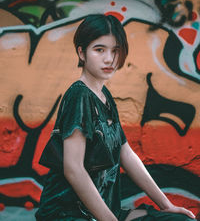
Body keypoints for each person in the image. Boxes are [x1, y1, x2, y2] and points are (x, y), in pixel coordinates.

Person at [35, 14, 197, 221]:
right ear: (81, 53)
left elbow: (125, 153)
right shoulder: (79, 96)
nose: (109, 59)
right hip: (68, 214)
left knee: (179, 220)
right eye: (99, 50)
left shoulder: (105, 97)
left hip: (106, 212)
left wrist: (167, 205)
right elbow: (73, 169)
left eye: (115, 51)